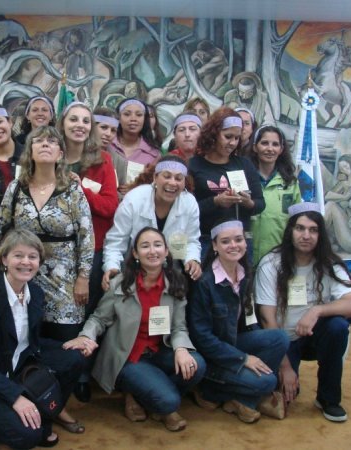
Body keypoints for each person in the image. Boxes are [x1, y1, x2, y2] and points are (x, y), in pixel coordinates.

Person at [0, 125, 94, 434]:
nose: (45, 145)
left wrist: (83, 277)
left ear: (61, 152)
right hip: (23, 278)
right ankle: (28, 402)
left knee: (65, 349)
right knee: (26, 344)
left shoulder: (72, 188)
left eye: (52, 141)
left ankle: (56, 406)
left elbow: (86, 236)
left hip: (65, 281)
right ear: (30, 150)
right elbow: (0, 233)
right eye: (39, 141)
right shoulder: (16, 188)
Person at [0, 229, 85, 449]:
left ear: (39, 262)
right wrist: (15, 397)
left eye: (33, 256)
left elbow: (29, 343)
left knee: (74, 358)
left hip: (16, 367)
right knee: (29, 437)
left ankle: (44, 415)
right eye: (18, 255)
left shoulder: (35, 293)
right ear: (4, 259)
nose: (26, 262)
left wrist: (68, 344)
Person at [65, 227, 205, 431]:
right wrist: (86, 336)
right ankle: (155, 399)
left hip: (159, 351)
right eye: (145, 246)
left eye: (158, 245)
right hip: (128, 357)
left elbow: (179, 327)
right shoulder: (120, 283)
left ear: (166, 251)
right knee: (170, 402)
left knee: (197, 365)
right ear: (135, 254)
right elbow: (98, 319)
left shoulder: (176, 284)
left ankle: (142, 395)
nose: (152, 251)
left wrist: (181, 349)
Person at [256, 203, 351, 422]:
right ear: (290, 231)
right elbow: (267, 318)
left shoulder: (329, 263)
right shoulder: (271, 263)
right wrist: (285, 367)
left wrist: (317, 310)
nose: (306, 236)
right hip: (283, 340)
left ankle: (328, 399)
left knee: (338, 327)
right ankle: (288, 371)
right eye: (300, 228)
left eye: (313, 230)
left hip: (315, 335)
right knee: (283, 397)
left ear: (320, 235)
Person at [188, 220, 289, 424]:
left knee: (279, 338)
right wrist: (243, 359)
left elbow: (249, 320)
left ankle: (241, 399)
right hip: (211, 357)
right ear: (214, 246)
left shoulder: (245, 274)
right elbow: (202, 338)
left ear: (245, 242)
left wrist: (254, 355)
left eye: (238, 239)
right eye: (225, 241)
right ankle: (210, 390)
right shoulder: (204, 283)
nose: (234, 245)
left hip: (233, 343)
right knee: (269, 381)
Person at [58, 101, 119, 402]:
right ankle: (57, 367)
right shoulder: (50, 155)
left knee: (86, 310)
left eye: (85, 120)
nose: (79, 125)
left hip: (90, 248)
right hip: (55, 250)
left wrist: (81, 189)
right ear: (63, 123)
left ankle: (81, 373)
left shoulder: (102, 160)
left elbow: (109, 207)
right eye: (74, 119)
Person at [102, 155, 202, 291]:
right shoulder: (134, 199)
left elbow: (191, 241)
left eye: (179, 178)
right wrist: (112, 267)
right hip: (133, 269)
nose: (173, 183)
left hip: (171, 270)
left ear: (184, 182)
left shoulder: (189, 203)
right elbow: (116, 241)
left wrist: (192, 259)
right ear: (155, 177)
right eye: (167, 176)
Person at [188, 107, 264, 262]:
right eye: (228, 136)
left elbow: (260, 204)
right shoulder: (194, 165)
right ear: (213, 134)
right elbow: (186, 209)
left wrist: (248, 203)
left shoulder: (244, 164)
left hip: (238, 242)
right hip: (205, 241)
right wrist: (215, 201)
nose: (232, 143)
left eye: (237, 138)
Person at [250, 125, 301, 265]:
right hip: (246, 257)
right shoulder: (244, 179)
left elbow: (296, 222)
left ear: (281, 149)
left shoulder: (290, 183)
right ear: (255, 147)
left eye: (275, 144)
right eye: (264, 143)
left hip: (277, 259)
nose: (270, 149)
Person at [111, 98, 160, 185]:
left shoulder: (154, 154)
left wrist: (134, 187)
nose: (133, 119)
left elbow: (154, 185)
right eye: (127, 114)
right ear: (119, 118)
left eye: (139, 115)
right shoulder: (107, 144)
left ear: (145, 120)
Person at [93, 106, 127, 193]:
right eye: (104, 127)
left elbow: (121, 193)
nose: (108, 134)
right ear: (92, 127)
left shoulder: (120, 162)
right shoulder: (77, 152)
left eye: (113, 130)